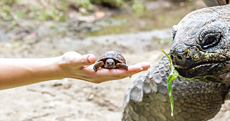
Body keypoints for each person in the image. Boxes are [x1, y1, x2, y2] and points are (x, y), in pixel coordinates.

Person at [0, 51, 150, 90]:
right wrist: (61, 68)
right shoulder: (103, 62)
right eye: (107, 63)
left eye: (112, 63)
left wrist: (60, 66)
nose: (110, 64)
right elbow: (99, 63)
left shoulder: (115, 62)